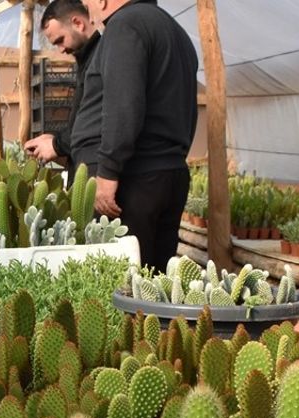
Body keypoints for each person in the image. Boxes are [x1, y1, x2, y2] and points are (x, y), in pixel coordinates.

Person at [82, 0, 199, 272]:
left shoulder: (125, 25)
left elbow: (124, 103)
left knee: (126, 285)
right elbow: (188, 110)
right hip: (171, 173)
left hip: (136, 181)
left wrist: (108, 172)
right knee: (156, 283)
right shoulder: (176, 32)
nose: (87, 6)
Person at [22, 0, 100, 184]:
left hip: (97, 176)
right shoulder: (87, 60)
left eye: (60, 40)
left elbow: (97, 124)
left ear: (78, 23)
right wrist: (55, 140)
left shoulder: (101, 59)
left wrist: (57, 145)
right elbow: (84, 120)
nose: (61, 49)